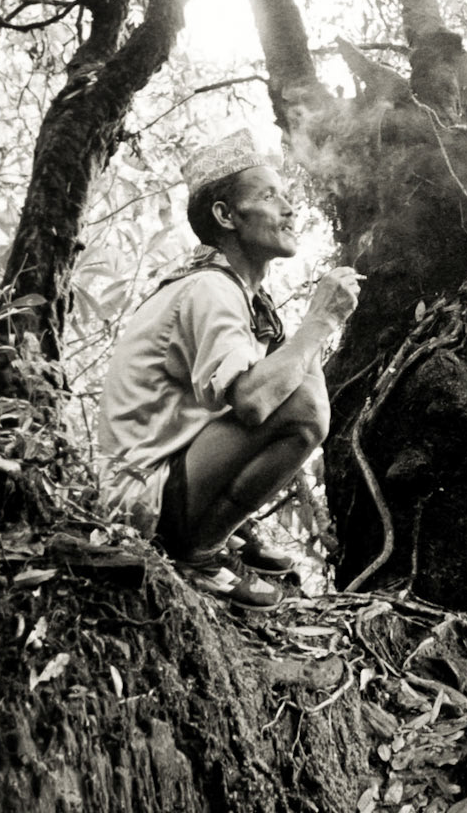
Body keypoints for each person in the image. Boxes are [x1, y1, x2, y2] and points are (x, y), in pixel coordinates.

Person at [95, 129, 361, 608]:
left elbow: (283, 380)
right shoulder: (210, 289)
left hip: (165, 482)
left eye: (286, 196)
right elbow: (256, 403)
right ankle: (199, 553)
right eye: (269, 196)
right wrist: (320, 322)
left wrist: (298, 336)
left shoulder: (239, 293)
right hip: (140, 500)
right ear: (226, 216)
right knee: (304, 411)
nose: (290, 209)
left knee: (298, 386)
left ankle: (223, 530)